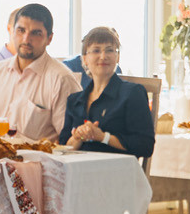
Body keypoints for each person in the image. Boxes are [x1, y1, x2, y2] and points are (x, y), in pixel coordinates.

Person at [0, 3, 80, 140]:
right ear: (12, 31)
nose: (26, 39)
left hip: (38, 154)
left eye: (36, 33)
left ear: (49, 39)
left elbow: (69, 140)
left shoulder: (61, 79)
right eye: (21, 30)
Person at [60, 27, 154, 158]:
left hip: (116, 169)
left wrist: (103, 137)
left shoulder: (133, 93)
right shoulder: (74, 100)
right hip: (77, 168)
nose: (103, 56)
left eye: (109, 50)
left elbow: (145, 146)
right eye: (96, 50)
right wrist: (78, 136)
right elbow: (62, 148)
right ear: (84, 59)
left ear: (117, 57)